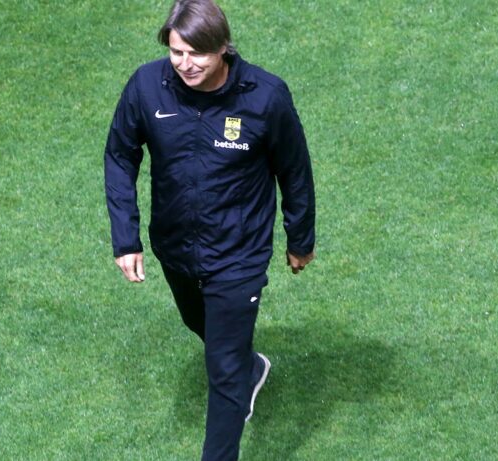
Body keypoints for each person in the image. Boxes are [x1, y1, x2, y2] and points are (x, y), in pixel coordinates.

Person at [104, 0, 315, 459]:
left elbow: (294, 171)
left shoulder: (266, 97)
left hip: (239, 256)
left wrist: (300, 239)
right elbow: (120, 156)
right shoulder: (146, 86)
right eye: (176, 52)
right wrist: (125, 237)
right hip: (175, 247)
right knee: (200, 326)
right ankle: (249, 365)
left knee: (223, 370)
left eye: (196, 53)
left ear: (222, 47)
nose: (185, 64)